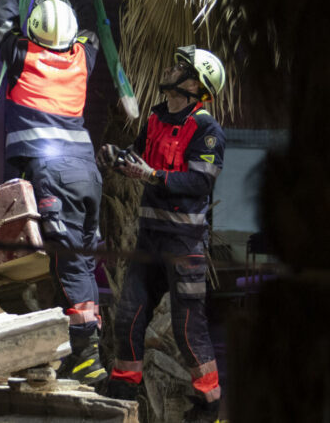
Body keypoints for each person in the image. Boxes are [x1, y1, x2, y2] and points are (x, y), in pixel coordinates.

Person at [0, 0, 108, 385]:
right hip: (86, 173)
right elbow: (94, 23)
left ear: (35, 30)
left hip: (52, 175)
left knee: (69, 264)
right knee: (80, 258)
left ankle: (85, 354)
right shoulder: (83, 58)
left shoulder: (23, 58)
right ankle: (80, 346)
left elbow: (2, 18)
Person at [98, 46, 226, 423]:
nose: (170, 69)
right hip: (149, 239)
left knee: (189, 330)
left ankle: (208, 405)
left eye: (180, 68)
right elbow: (138, 157)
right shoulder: (155, 117)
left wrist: (152, 176)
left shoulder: (207, 130)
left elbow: (199, 182)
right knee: (129, 316)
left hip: (183, 246)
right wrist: (117, 158)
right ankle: (123, 388)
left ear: (195, 84)